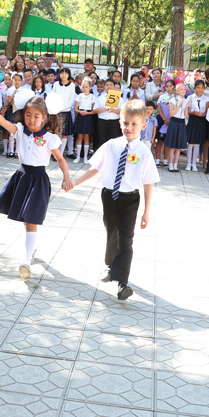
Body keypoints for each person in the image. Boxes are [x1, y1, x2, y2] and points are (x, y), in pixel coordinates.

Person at [68, 99, 159, 301]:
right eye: (126, 123)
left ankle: (122, 283)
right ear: (120, 122)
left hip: (130, 200)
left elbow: (148, 182)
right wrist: (75, 182)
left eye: (134, 124)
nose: (129, 128)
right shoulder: (111, 145)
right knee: (112, 235)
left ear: (143, 126)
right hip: (109, 196)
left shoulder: (144, 151)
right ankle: (110, 266)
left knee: (126, 240)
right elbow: (95, 168)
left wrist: (146, 212)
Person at [0, 94, 72, 278]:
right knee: (26, 218)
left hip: (38, 180)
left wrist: (67, 177)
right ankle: (32, 248)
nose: (31, 119)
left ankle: (25, 260)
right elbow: (3, 122)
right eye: (28, 115)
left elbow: (61, 159)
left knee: (31, 219)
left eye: (36, 116)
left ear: (45, 118)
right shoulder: (20, 130)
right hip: (22, 178)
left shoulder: (49, 138)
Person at [163, 82, 188, 172]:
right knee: (172, 145)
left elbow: (185, 116)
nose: (183, 91)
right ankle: (170, 164)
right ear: (177, 91)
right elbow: (171, 113)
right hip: (174, 122)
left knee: (178, 146)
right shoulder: (173, 100)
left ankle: (175, 164)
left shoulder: (186, 100)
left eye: (184, 89)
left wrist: (187, 107)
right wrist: (179, 106)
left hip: (181, 123)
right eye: (181, 89)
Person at [52, 67, 77, 158]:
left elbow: (71, 100)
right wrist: (55, 107)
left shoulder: (72, 85)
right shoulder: (55, 84)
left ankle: (60, 154)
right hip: (56, 112)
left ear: (68, 75)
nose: (63, 75)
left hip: (66, 112)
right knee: (56, 133)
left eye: (65, 73)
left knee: (64, 134)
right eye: (61, 73)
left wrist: (61, 107)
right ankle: (55, 153)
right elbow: (53, 96)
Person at [185, 79, 209, 172]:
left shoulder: (206, 99)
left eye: (202, 88)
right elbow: (186, 111)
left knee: (197, 144)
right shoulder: (190, 98)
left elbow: (207, 112)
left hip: (201, 121)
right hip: (192, 120)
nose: (200, 89)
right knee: (190, 143)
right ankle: (188, 163)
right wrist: (193, 113)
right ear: (194, 88)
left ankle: (194, 164)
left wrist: (201, 114)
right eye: (198, 87)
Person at [94, 79, 124, 148]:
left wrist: (113, 110)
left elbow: (122, 111)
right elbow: (95, 110)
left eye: (111, 85)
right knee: (102, 141)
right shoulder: (100, 98)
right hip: (102, 122)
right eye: (107, 85)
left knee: (113, 141)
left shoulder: (120, 98)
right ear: (104, 87)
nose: (109, 87)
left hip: (115, 122)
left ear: (114, 87)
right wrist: (105, 109)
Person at [73, 77, 96, 164]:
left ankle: (86, 157)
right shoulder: (79, 96)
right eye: (83, 87)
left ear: (90, 87)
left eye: (86, 87)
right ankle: (78, 157)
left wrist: (87, 113)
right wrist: (81, 112)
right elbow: (75, 109)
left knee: (86, 137)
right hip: (81, 117)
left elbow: (94, 110)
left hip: (88, 117)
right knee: (80, 137)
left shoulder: (92, 97)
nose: (85, 88)